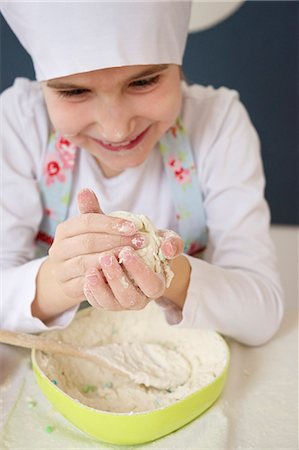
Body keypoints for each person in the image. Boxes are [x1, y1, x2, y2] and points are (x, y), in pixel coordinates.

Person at [0, 2, 283, 345]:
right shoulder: (19, 127)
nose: (117, 129)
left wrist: (167, 272)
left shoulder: (217, 125)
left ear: (177, 67)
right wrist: (60, 281)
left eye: (144, 82)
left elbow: (263, 313)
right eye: (75, 91)